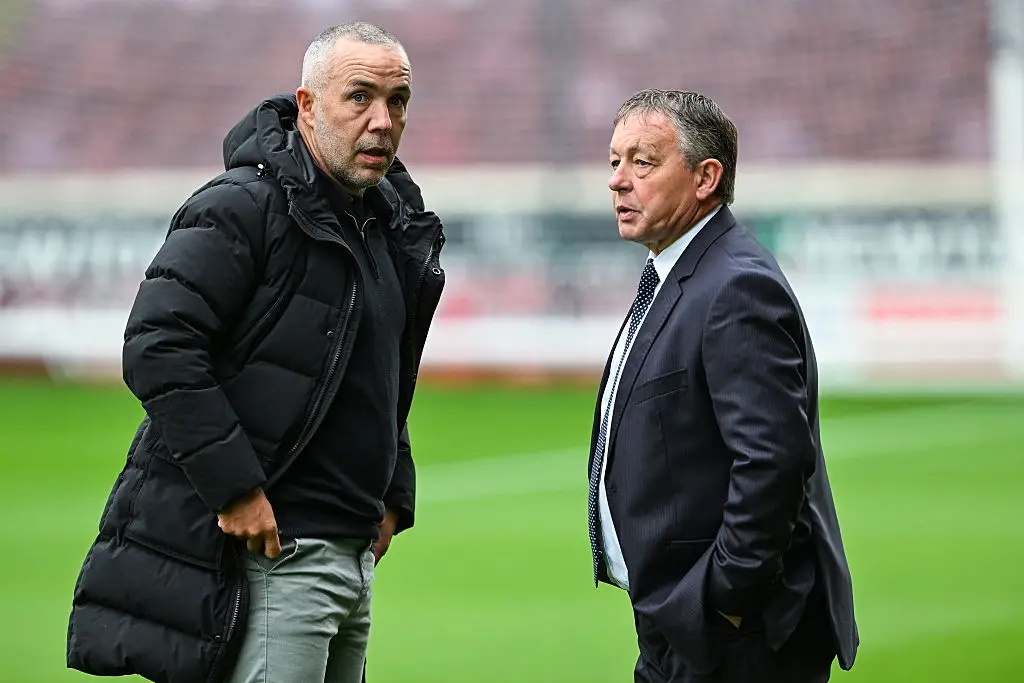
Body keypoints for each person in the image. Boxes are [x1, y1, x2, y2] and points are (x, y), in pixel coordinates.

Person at [66, 22, 445, 683]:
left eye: (398, 101)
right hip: (273, 555)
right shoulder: (243, 206)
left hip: (350, 555)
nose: (382, 121)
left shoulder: (385, 226)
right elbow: (159, 344)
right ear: (307, 105)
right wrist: (235, 488)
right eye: (360, 97)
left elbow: (376, 377)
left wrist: (392, 495)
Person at [586, 89, 858, 683]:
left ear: (706, 178)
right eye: (614, 161)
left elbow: (773, 462)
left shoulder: (734, 287)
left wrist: (724, 602)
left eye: (642, 162)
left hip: (733, 638)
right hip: (682, 624)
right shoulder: (680, 273)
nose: (618, 180)